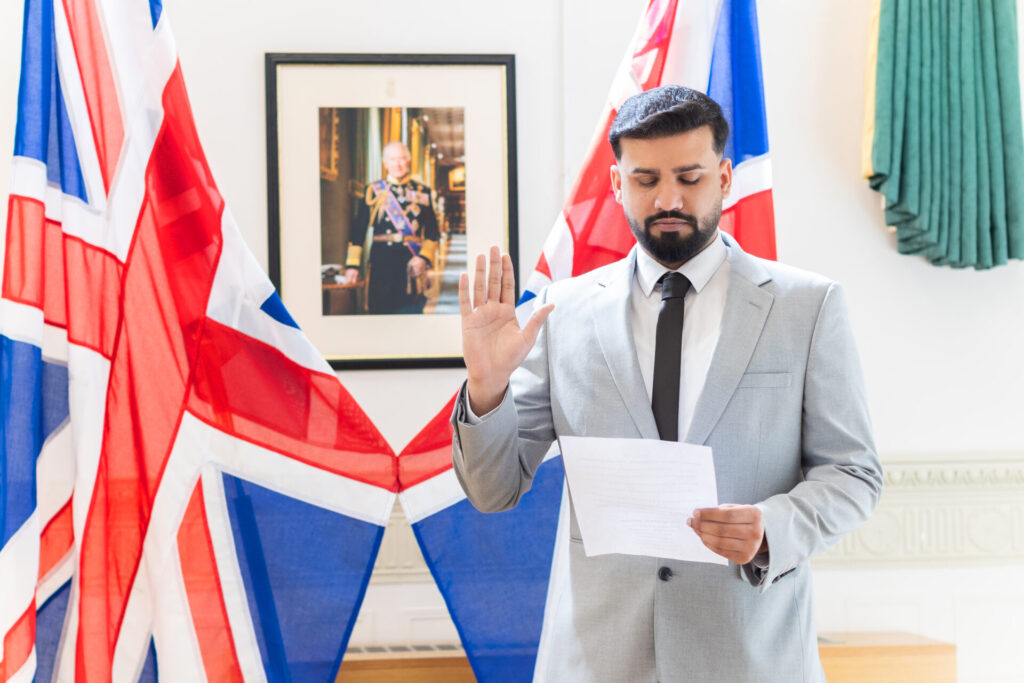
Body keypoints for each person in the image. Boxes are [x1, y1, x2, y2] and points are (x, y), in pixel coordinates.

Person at [450, 86, 882, 682]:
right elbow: (491, 490)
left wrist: (770, 530)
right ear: (616, 182)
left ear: (726, 178)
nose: (669, 198)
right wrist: (486, 389)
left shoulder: (807, 307)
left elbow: (854, 473)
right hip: (596, 661)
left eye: (690, 176)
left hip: (749, 658)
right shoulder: (560, 312)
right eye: (646, 179)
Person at [344, 141, 440, 314]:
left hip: (411, 265)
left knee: (411, 318)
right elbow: (359, 229)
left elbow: (432, 232)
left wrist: (424, 259)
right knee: (380, 319)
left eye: (402, 158)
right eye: (393, 159)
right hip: (382, 264)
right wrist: (352, 265)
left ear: (409, 161)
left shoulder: (423, 191)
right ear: (385, 163)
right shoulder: (373, 190)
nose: (398, 164)